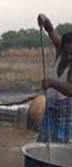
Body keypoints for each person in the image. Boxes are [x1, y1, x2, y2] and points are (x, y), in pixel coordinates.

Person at [37, 14, 72, 144]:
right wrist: (43, 19)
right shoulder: (60, 52)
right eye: (67, 52)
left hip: (65, 110)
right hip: (50, 105)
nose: (69, 56)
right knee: (44, 142)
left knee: (59, 146)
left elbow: (70, 90)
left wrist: (52, 83)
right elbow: (50, 30)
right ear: (61, 48)